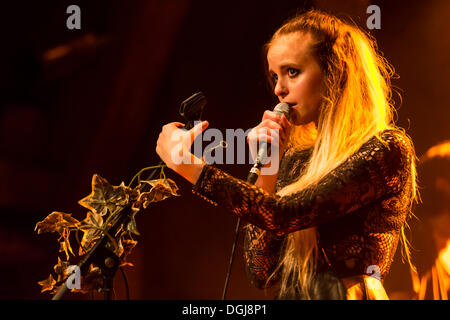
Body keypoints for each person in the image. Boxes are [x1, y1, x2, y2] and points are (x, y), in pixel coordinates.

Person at [155, 10, 418, 300]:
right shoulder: (295, 159)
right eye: (274, 76)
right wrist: (268, 168)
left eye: (292, 72)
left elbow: (286, 214)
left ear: (335, 71)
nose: (279, 89)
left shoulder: (385, 148)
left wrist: (192, 167)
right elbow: (262, 271)